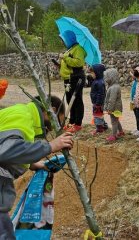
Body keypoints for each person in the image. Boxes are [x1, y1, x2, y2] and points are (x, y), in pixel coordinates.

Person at [0, 96, 74, 240]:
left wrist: (32, 164)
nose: (54, 127)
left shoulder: (19, 113)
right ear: (51, 111)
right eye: (59, 120)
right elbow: (6, 150)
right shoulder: (23, 116)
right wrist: (51, 146)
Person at [58, 30, 86, 133]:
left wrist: (64, 57)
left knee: (77, 101)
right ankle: (72, 121)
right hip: (68, 79)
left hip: (75, 78)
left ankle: (78, 124)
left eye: (63, 40)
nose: (63, 42)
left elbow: (79, 63)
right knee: (70, 100)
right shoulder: (70, 49)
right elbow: (68, 64)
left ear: (69, 39)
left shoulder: (78, 49)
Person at [103, 68, 124, 142]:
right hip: (115, 108)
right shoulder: (112, 86)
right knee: (116, 120)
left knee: (114, 121)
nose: (105, 78)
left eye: (107, 77)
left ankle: (113, 135)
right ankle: (121, 132)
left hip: (115, 108)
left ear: (112, 77)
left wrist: (109, 109)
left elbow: (112, 100)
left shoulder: (114, 88)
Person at [89, 64, 108, 135]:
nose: (91, 74)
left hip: (98, 103)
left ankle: (99, 129)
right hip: (96, 102)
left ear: (97, 73)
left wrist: (98, 104)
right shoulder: (96, 80)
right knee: (99, 115)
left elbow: (101, 94)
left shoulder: (100, 83)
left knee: (97, 115)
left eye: (92, 73)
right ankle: (104, 126)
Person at [129, 65, 139, 136]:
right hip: (133, 101)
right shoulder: (135, 81)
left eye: (133, 73)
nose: (132, 74)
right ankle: (138, 128)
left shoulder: (138, 82)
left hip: (137, 102)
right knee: (136, 115)